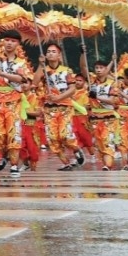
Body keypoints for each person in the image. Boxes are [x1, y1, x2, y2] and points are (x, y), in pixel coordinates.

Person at [34, 42, 81, 170]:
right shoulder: (43, 70)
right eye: (48, 51)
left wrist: (59, 98)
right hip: (49, 109)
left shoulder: (66, 71)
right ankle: (66, 163)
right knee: (52, 138)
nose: (50, 53)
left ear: (59, 55)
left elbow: (72, 89)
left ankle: (76, 150)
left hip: (65, 107)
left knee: (65, 134)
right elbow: (34, 82)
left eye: (53, 51)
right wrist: (40, 64)